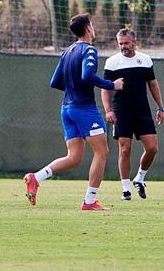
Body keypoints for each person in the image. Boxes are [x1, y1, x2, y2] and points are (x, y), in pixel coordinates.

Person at [24, 14, 124, 211]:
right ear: (88, 28)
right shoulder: (89, 50)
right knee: (102, 152)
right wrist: (112, 84)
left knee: (74, 157)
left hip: (67, 109)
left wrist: (74, 89)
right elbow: (87, 76)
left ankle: (36, 178)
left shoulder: (67, 51)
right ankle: (89, 201)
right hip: (84, 109)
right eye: (92, 25)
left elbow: (55, 82)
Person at [102, 28, 164, 201]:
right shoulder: (112, 62)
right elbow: (105, 90)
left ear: (134, 42)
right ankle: (125, 189)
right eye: (120, 43)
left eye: (126, 43)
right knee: (125, 148)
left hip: (142, 110)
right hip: (121, 111)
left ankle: (140, 178)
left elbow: (153, 85)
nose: (123, 46)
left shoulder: (145, 60)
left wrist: (161, 107)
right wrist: (108, 111)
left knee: (152, 148)